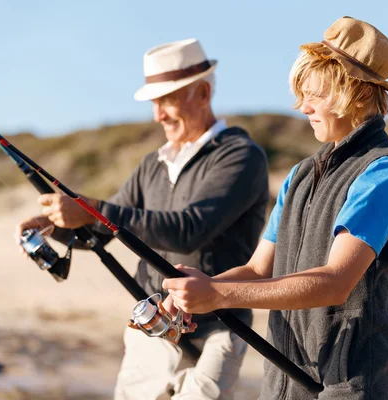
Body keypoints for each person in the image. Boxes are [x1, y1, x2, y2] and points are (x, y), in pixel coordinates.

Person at [162, 17, 388, 399]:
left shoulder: (383, 173)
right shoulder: (300, 175)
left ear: (358, 94)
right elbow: (256, 269)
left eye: (314, 94)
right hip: (282, 384)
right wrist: (194, 292)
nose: (301, 107)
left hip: (347, 387)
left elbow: (335, 283)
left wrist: (218, 296)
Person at [16, 38, 270, 400]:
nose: (158, 115)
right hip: (149, 327)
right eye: (155, 102)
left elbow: (189, 231)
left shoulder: (241, 157)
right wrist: (49, 226)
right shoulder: (152, 164)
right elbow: (99, 233)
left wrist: (94, 209)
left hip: (217, 331)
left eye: (167, 100)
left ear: (202, 92)